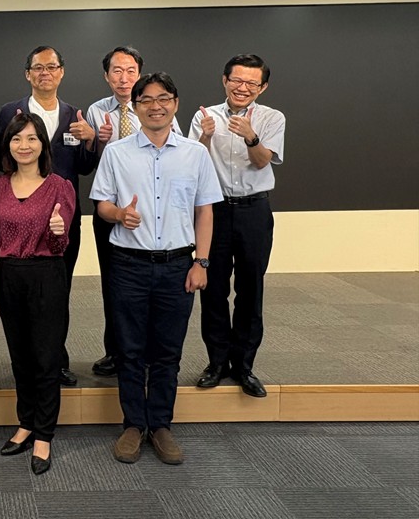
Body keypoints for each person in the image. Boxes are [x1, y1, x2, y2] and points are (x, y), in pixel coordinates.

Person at [90, 72, 222, 465]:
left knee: (168, 351)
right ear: (136, 107)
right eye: (146, 100)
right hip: (128, 264)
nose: (155, 106)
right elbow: (102, 204)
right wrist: (119, 214)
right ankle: (133, 424)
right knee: (129, 350)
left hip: (178, 266)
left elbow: (205, 211)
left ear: (175, 104)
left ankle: (161, 425)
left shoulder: (195, 154)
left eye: (163, 98)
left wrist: (201, 262)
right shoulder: (117, 153)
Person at [0, 46, 96, 387]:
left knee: (59, 292)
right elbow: (2, 158)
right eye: (38, 67)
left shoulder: (75, 115)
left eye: (52, 67)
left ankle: (57, 359)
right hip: (20, 216)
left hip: (62, 219)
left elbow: (84, 167)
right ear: (28, 74)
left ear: (61, 72)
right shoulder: (11, 111)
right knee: (19, 297)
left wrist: (90, 142)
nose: (45, 73)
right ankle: (27, 360)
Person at [190, 55, 286, 399]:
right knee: (213, 289)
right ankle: (217, 363)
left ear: (263, 87)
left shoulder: (272, 118)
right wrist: (204, 137)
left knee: (250, 288)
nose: (243, 88)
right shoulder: (205, 116)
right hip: (214, 211)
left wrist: (251, 137)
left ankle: (244, 366)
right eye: (237, 80)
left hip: (253, 211)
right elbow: (194, 164)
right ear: (225, 80)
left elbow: (262, 161)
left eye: (251, 83)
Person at [84, 46, 182, 377]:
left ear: (139, 74)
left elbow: (177, 155)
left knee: (153, 284)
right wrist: (98, 142)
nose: (123, 78)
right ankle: (116, 350)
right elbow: (93, 164)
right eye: (116, 71)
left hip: (152, 208)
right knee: (114, 283)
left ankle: (151, 351)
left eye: (130, 71)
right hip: (110, 207)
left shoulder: (159, 111)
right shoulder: (96, 111)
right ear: (106, 76)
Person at [0, 113, 75, 475]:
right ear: (8, 145)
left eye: (32, 138)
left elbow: (60, 246)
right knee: (20, 356)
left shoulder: (59, 186)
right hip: (9, 276)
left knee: (46, 357)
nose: (24, 145)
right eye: (16, 138)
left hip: (46, 275)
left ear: (43, 144)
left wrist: (57, 230)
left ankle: (44, 434)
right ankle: (26, 422)